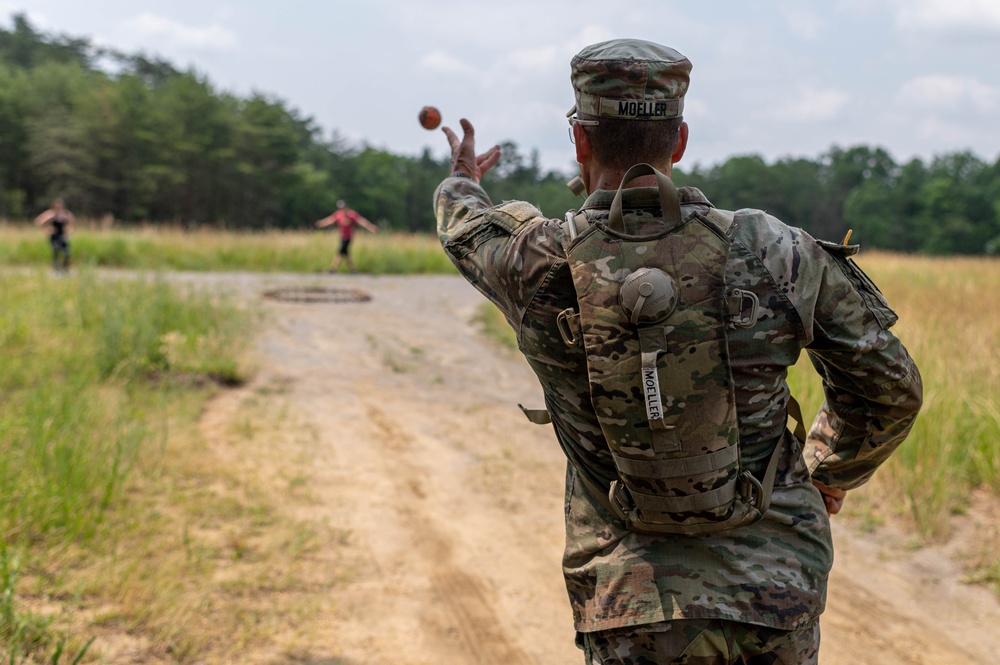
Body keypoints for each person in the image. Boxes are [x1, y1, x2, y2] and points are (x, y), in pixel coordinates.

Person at [434, 39, 922, 664]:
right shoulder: (776, 250)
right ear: (680, 140)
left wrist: (462, 178)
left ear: (581, 142)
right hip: (772, 594)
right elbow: (889, 389)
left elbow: (462, 225)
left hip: (630, 604)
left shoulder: (534, 261)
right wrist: (829, 472)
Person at [315, 199, 378, 273]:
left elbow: (361, 221)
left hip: (348, 237)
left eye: (343, 207)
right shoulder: (338, 214)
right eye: (340, 207)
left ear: (346, 206)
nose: (342, 209)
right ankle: (353, 270)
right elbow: (330, 220)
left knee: (340, 252)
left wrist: (370, 226)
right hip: (342, 236)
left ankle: (333, 269)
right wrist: (321, 223)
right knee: (345, 253)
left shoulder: (351, 214)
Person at [34, 198, 76, 272]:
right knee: (56, 250)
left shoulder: (66, 214)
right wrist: (48, 229)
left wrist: (69, 231)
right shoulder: (51, 214)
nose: (58, 208)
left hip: (62, 235)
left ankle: (65, 269)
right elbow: (39, 221)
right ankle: (56, 269)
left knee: (67, 252)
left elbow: (73, 224)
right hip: (54, 236)